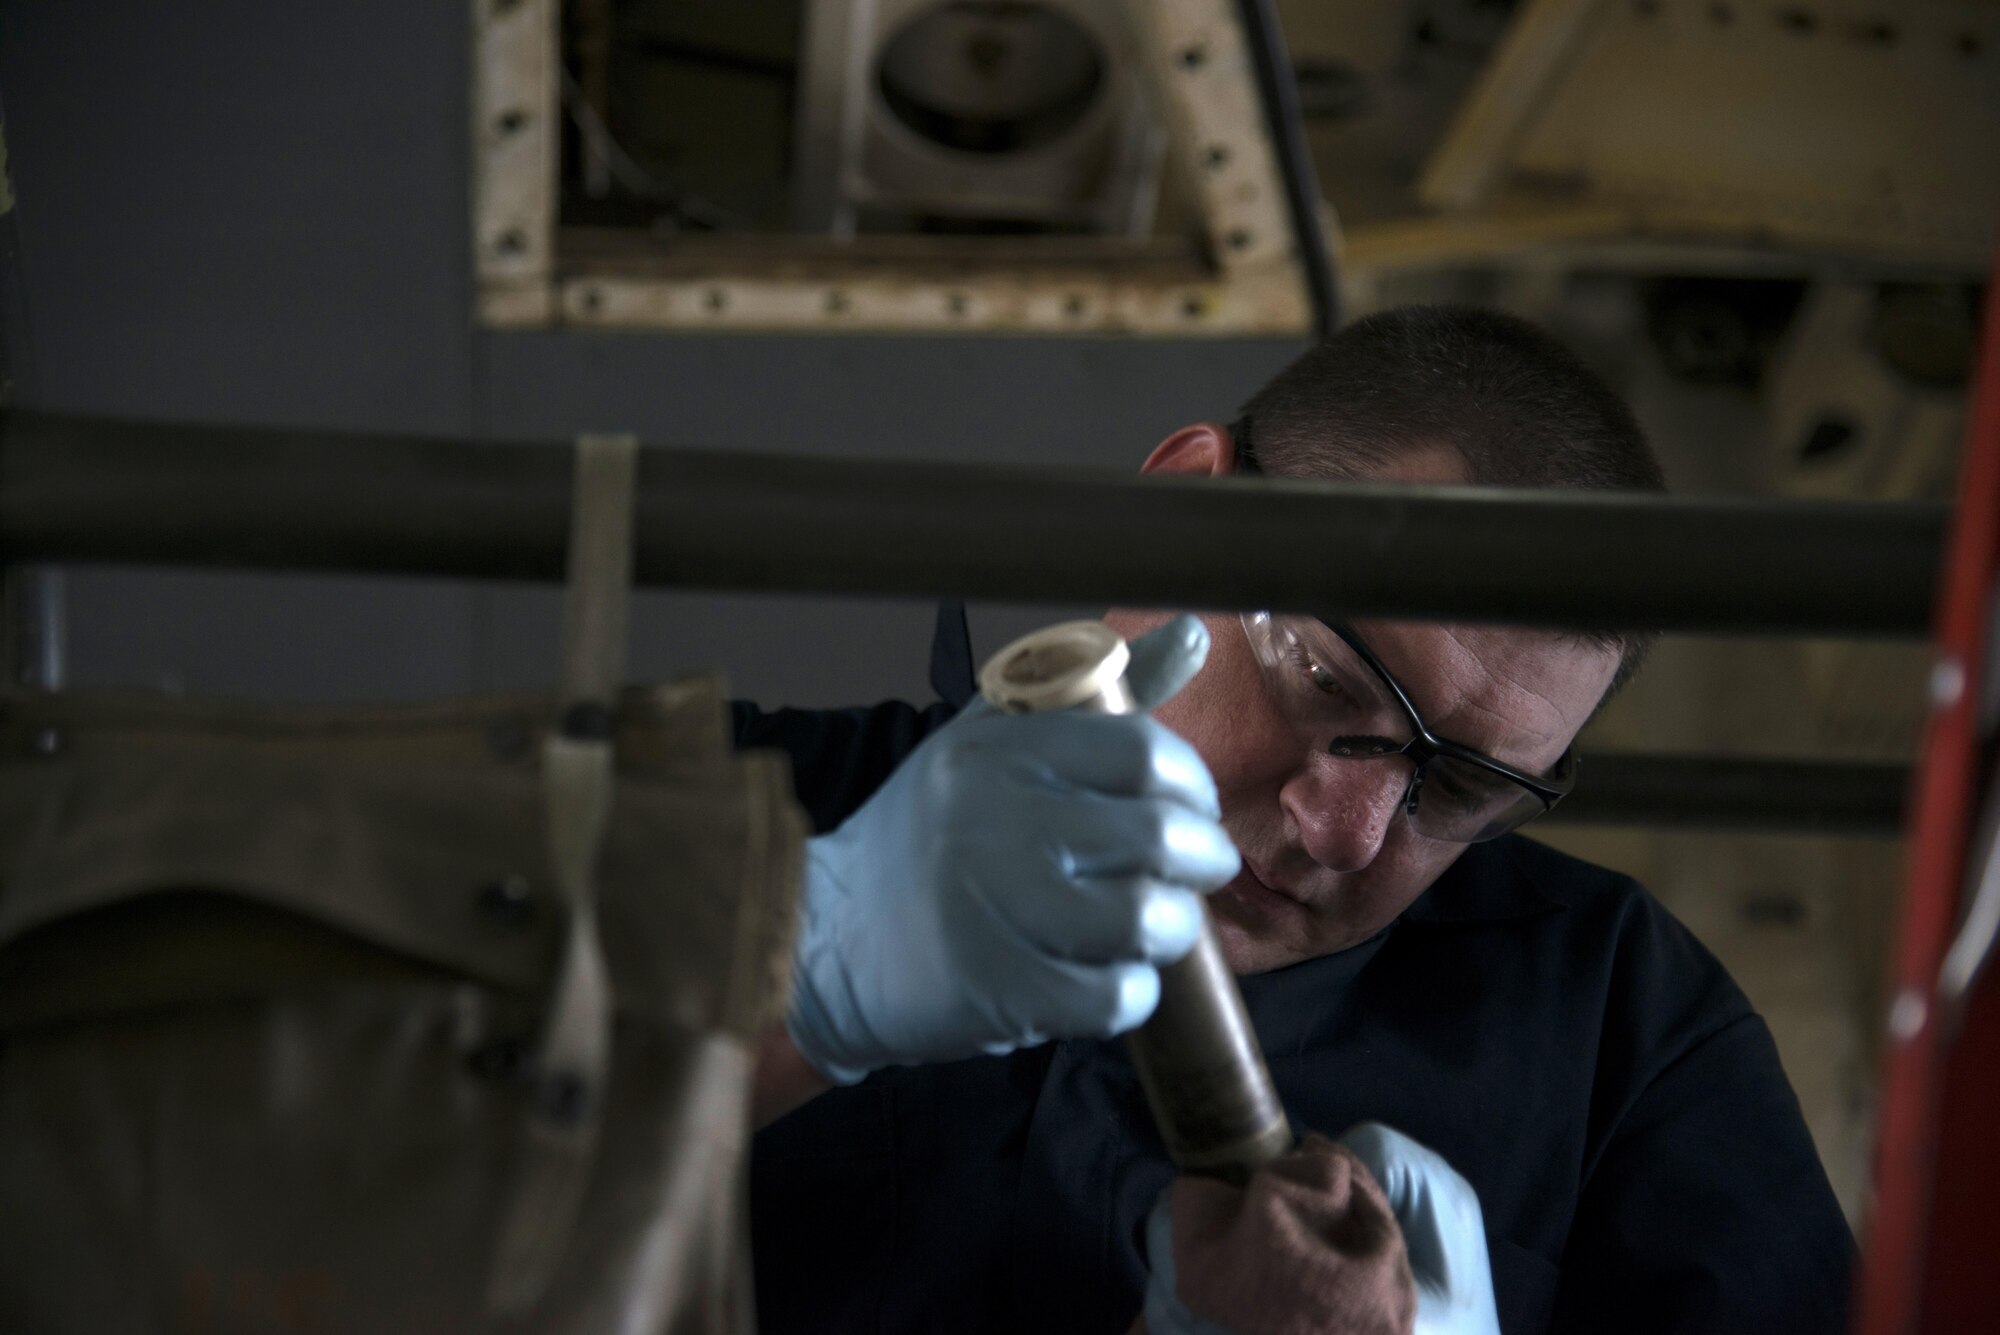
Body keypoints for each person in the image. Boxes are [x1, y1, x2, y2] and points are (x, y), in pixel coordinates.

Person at [740, 306, 1855, 1334]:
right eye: (1326, 683)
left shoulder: (1626, 1036)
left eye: (1459, 788)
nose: (1348, 833)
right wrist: (782, 1011)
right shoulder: (743, 800)